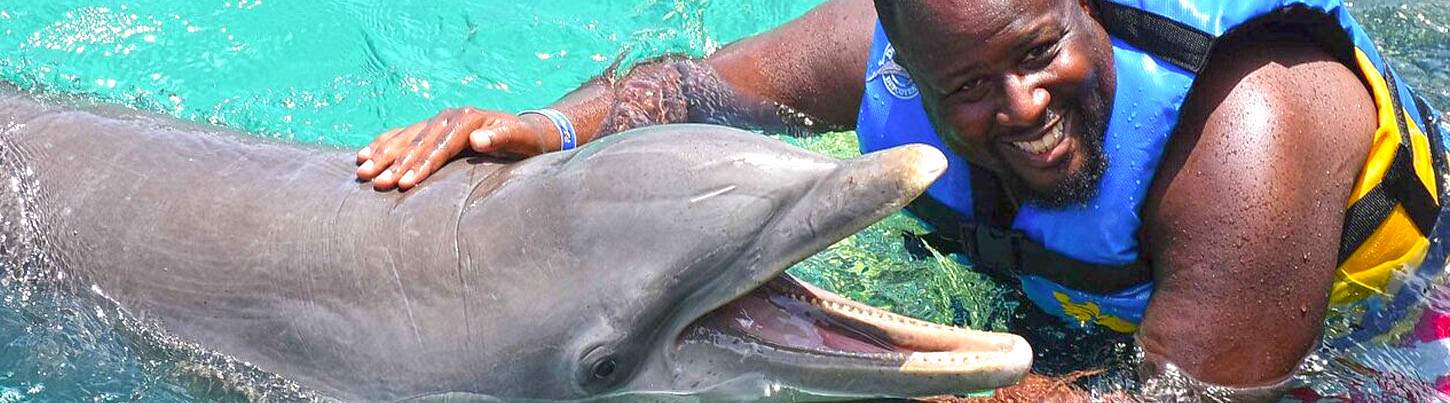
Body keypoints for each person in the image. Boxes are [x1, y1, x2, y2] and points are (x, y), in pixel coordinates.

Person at [353, 0, 1449, 399]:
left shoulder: (1249, 135)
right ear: (908, 74)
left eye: (1042, 50)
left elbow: (1189, 402)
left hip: (1373, 333)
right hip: (1077, 304)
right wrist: (540, 129)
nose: (1023, 105)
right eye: (966, 87)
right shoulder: (880, 52)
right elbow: (688, 87)